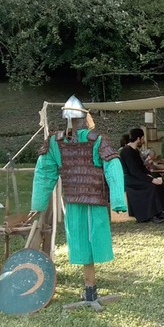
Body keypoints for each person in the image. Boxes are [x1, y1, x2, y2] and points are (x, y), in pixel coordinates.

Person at [31, 95, 127, 303]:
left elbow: (44, 171)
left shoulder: (55, 142)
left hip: (75, 200)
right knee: (88, 241)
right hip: (92, 200)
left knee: (82, 241)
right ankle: (90, 289)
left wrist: (38, 203)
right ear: (84, 117)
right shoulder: (97, 140)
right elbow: (113, 167)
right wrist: (118, 200)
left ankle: (90, 288)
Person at [120, 128, 164, 223]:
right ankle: (152, 215)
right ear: (138, 138)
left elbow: (141, 168)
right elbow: (134, 171)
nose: (143, 140)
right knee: (151, 186)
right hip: (129, 179)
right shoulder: (126, 151)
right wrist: (150, 180)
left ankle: (162, 210)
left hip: (136, 176)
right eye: (142, 138)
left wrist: (150, 176)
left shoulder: (134, 150)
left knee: (157, 183)